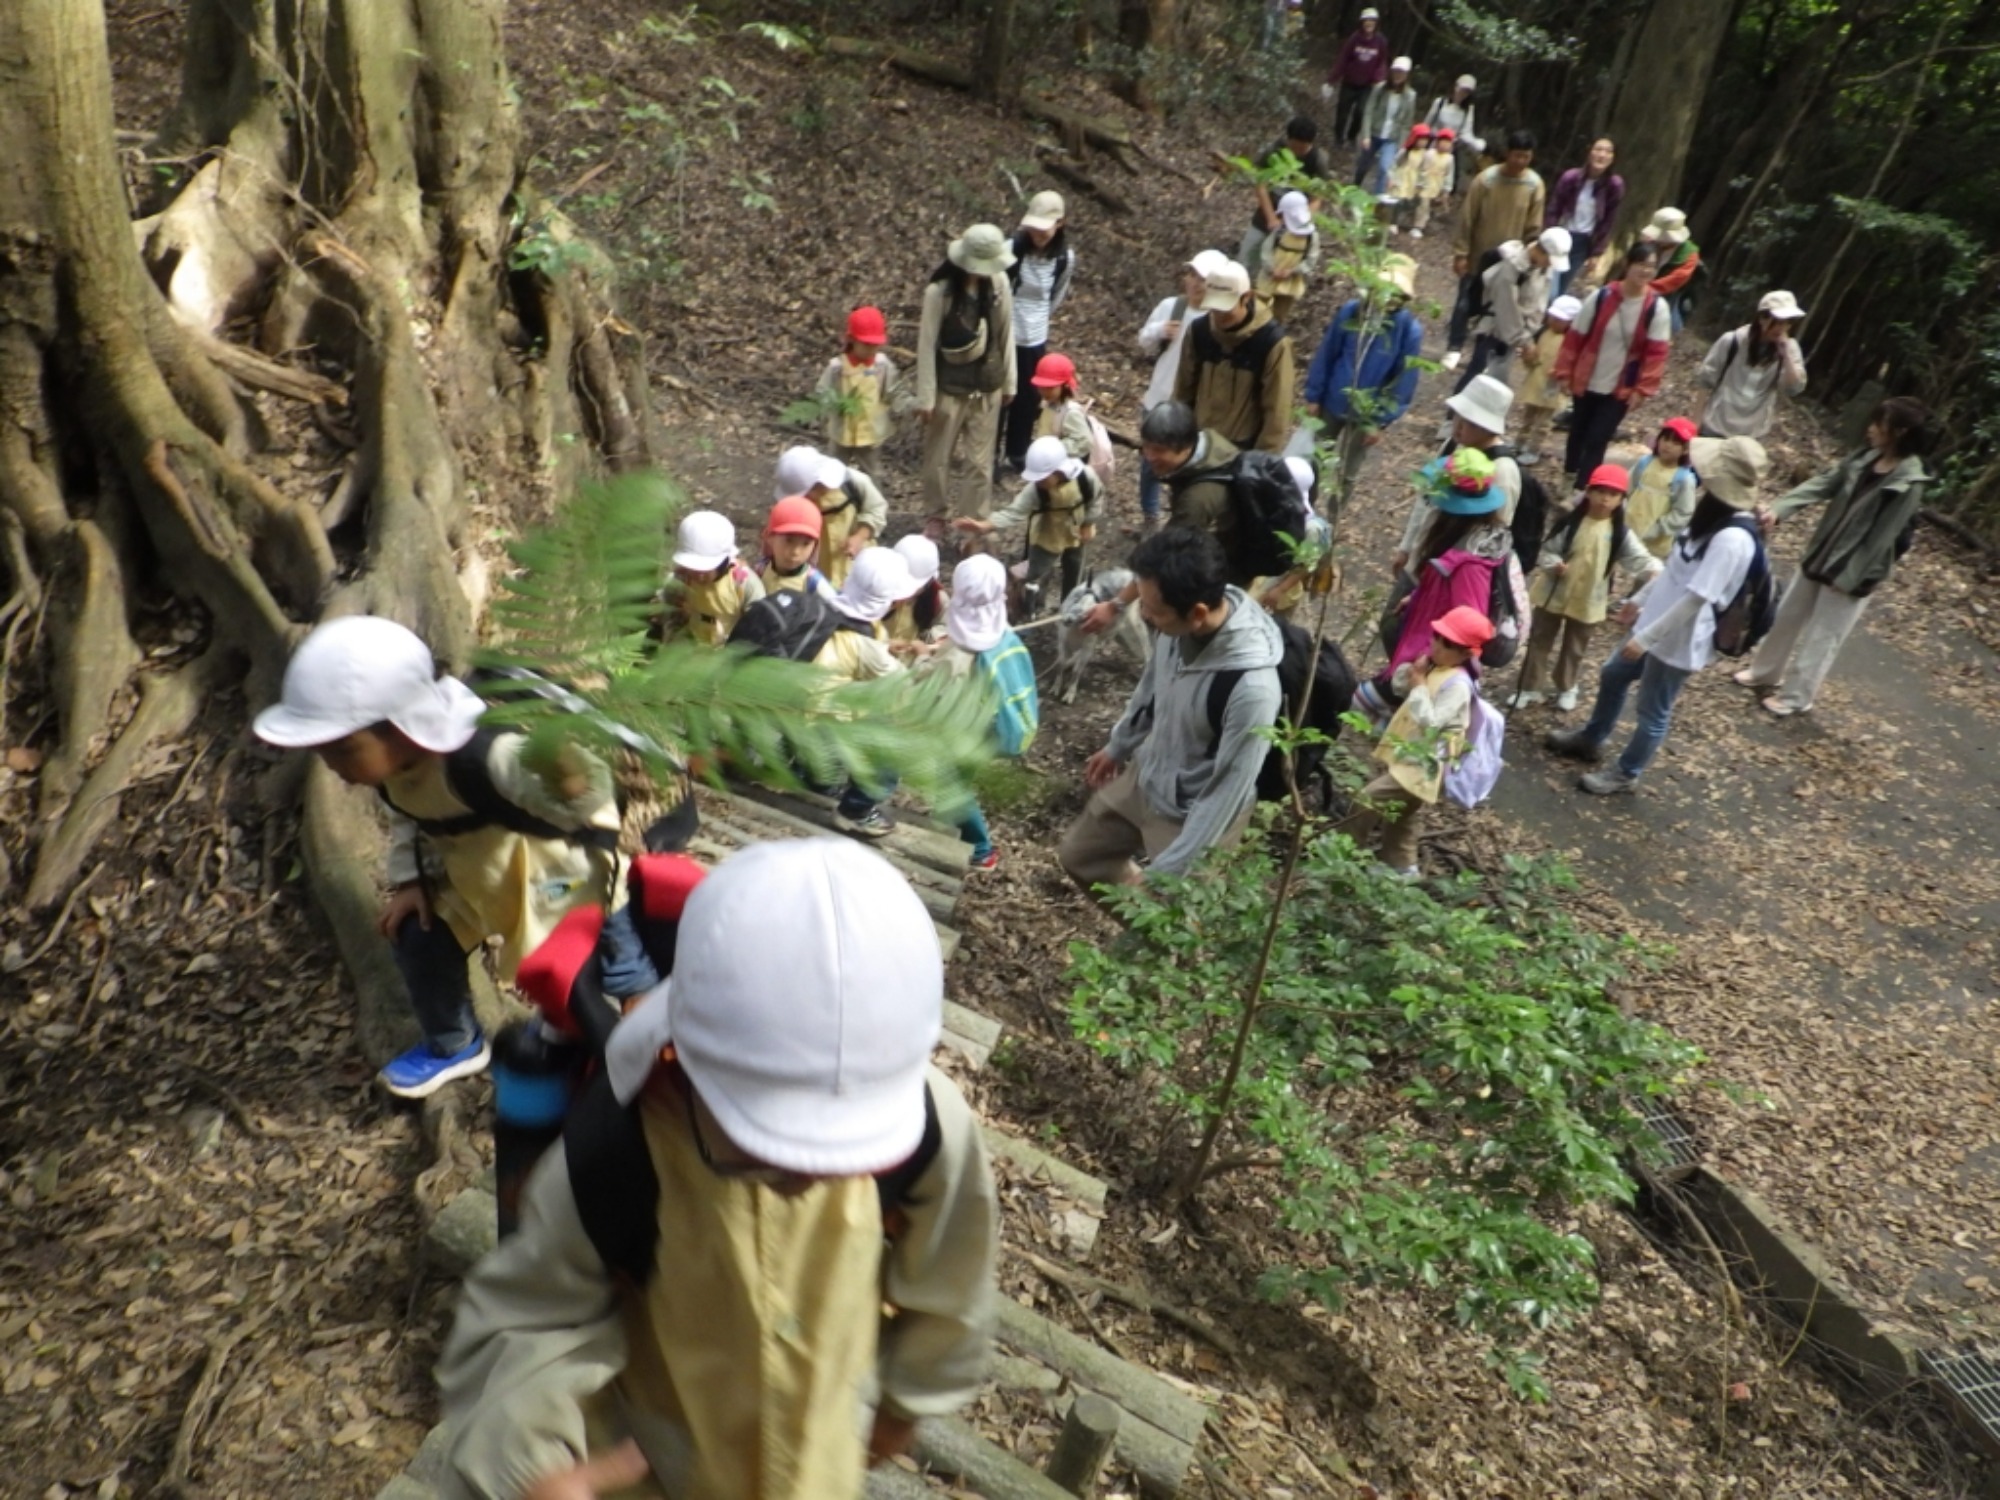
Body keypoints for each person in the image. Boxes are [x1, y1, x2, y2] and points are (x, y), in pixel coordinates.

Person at [436, 837, 999, 1500]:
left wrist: (912, 1396)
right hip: (666, 1465)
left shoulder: (932, 1122)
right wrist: (522, 1467)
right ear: (683, 1053)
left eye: (848, 1152)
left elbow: (955, 1261)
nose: (809, 1175)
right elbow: (528, 1324)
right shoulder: (616, 1152)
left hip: (820, 1452)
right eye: (765, 1142)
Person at [252, 616, 657, 1098]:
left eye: (341, 749)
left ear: (400, 729)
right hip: (475, 875)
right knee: (419, 939)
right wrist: (409, 882)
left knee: (606, 955)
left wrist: (574, 786)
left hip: (556, 873)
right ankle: (454, 1043)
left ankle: (642, 1023)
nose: (331, 766)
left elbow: (581, 790)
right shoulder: (393, 772)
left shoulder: (484, 758)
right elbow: (409, 816)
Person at [1059, 526, 1283, 890]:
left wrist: (1171, 870)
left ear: (1196, 613)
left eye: (1152, 609)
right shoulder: (1175, 627)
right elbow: (1153, 685)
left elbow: (1227, 789)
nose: (1143, 615)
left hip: (1195, 810)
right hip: (1149, 774)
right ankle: (1135, 903)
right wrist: (1121, 744)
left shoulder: (1251, 690)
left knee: (1169, 925)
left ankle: (1145, 931)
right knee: (1081, 857)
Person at [1545, 436, 1770, 794]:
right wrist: (1642, 600)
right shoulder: (1710, 517)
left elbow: (1697, 598)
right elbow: (1675, 569)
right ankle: (1592, 737)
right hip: (1656, 619)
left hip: (1678, 635)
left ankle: (1626, 772)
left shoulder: (1732, 539)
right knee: (1613, 674)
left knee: (1652, 710)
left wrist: (1647, 638)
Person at [1735, 397, 1934, 717]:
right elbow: (1824, 483)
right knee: (1787, 615)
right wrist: (1780, 509)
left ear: (1898, 431)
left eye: (1878, 424)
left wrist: (1852, 577)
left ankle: (1796, 697)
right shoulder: (1865, 458)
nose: (1870, 429)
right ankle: (1765, 671)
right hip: (1823, 552)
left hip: (1853, 572)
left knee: (1823, 636)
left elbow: (1883, 539)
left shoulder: (1909, 482)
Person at [1337, 605, 1492, 876]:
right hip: (1410, 755)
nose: (1436, 645)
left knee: (1367, 799)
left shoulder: (1458, 686)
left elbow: (1432, 723)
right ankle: (1402, 867)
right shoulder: (1437, 666)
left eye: (1447, 643)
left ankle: (1342, 851)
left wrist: (1419, 684)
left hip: (1424, 763)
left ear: (1466, 653)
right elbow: (1399, 688)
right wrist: (1412, 673)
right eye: (1435, 636)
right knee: (1403, 815)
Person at [920, 554, 1039, 869]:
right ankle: (944, 825)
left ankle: (981, 849)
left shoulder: (958, 657)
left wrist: (922, 659)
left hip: (966, 730)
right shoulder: (1002, 631)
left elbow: (933, 686)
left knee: (952, 786)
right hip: (993, 727)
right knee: (956, 782)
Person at [1514, 464, 1661, 711]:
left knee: (1575, 647)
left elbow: (1639, 558)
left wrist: (1654, 570)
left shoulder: (1619, 533)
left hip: (1589, 599)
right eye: (1600, 491)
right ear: (1589, 492)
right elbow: (1547, 550)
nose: (1605, 499)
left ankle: (1566, 685)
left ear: (1621, 499)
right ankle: (1528, 686)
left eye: (1613, 494)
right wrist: (1553, 565)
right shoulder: (1570, 523)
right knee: (1540, 640)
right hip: (1554, 592)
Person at [916, 223, 1017, 529]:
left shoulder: (998, 284)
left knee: (980, 463)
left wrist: (1010, 380)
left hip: (986, 385)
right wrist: (926, 396)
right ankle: (936, 514)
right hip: (949, 386)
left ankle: (972, 523)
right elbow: (927, 342)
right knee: (938, 457)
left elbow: (1005, 332)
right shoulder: (940, 292)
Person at [1551, 241, 1672, 492]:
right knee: (1578, 431)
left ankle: (1582, 489)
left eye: (1652, 266)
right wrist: (1565, 372)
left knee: (1598, 437)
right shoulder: (1602, 296)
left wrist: (1643, 389)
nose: (1646, 271)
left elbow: (1657, 353)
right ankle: (1569, 475)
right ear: (1628, 264)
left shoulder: (1656, 309)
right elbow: (1576, 335)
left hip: (1621, 386)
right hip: (1588, 377)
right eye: (1641, 264)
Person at [1302, 252, 1423, 491]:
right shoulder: (1352, 311)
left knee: (1347, 475)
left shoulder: (1409, 330)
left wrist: (1380, 421)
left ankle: (1333, 522)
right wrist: (1313, 394)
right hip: (1333, 400)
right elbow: (1328, 351)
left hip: (1368, 413)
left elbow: (1403, 380)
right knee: (1314, 463)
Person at [956, 432, 1104, 611]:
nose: (1039, 482)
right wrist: (986, 525)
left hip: (1077, 531)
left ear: (1057, 471)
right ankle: (1017, 593)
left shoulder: (1085, 479)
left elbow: (1096, 499)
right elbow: (1015, 511)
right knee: (1034, 569)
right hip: (1050, 533)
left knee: (1074, 570)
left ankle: (1069, 607)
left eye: (1043, 478)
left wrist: (1088, 523)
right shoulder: (1036, 490)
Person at [1137, 250, 1229, 527]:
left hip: (1193, 408)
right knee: (1150, 464)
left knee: (1188, 464)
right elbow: (1143, 342)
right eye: (1191, 275)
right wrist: (1158, 331)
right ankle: (1150, 515)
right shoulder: (1171, 306)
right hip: (1159, 397)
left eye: (1202, 278)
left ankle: (1180, 518)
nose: (1194, 283)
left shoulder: (1219, 318)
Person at [1172, 259, 1297, 457]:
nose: (1219, 316)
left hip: (1241, 454)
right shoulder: (1199, 331)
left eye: (1225, 309)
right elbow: (1182, 392)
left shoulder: (1271, 343)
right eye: (1214, 307)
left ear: (1246, 297)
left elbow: (1276, 415)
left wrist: (1259, 464)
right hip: (1198, 446)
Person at [1446, 131, 1545, 368]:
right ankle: (1454, 346)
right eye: (1517, 155)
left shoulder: (1534, 185)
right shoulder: (1486, 180)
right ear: (1507, 153)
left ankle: (1484, 352)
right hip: (1480, 252)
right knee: (1465, 300)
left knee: (1498, 306)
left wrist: (1530, 259)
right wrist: (1461, 251)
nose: (1521, 161)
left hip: (1511, 259)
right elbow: (1468, 217)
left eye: (1526, 156)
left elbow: (1534, 226)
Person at [1002, 191, 1077, 471]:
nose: (1039, 234)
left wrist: (1040, 319)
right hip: (1007, 332)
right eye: (1035, 228)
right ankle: (991, 452)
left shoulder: (1064, 258)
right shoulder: (1011, 249)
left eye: (1045, 229)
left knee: (1029, 397)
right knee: (1002, 395)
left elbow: (1056, 295)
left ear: (1060, 224)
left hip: (1036, 336)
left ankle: (1018, 453)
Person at [1456, 226, 1570, 393]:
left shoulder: (1544, 269)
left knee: (1496, 379)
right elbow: (1506, 309)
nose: (1550, 264)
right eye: (1549, 259)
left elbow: (1539, 305)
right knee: (1476, 375)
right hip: (1493, 329)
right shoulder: (1511, 268)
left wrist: (1530, 334)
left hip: (1515, 334)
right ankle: (1453, 417)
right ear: (1540, 251)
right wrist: (1524, 341)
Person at [1695, 290, 1809, 440]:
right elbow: (1705, 380)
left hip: (1752, 435)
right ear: (1762, 318)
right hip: (1715, 425)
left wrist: (1786, 355)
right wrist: (1694, 424)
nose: (1782, 328)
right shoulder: (1732, 341)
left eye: (1788, 322)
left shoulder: (1790, 348)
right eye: (1778, 321)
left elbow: (1793, 389)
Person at [774, 445, 888, 590]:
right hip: (816, 563)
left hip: (852, 560)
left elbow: (876, 509)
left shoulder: (854, 483)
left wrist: (860, 536)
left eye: (810, 492)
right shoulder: (797, 496)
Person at [1236, 116, 1331, 272]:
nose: (1298, 153)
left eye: (1303, 148)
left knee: (1284, 267)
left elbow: (1316, 198)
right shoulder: (1273, 152)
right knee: (1246, 261)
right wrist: (1271, 218)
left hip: (1296, 224)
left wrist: (1300, 222)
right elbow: (1261, 186)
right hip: (1268, 213)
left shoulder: (1318, 160)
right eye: (1294, 147)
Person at [814, 306, 901, 468]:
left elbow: (894, 390)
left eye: (875, 345)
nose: (872, 349)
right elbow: (822, 391)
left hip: (869, 433)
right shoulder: (837, 368)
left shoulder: (882, 366)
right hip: (842, 431)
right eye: (867, 344)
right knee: (834, 470)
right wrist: (834, 403)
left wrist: (905, 405)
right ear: (852, 340)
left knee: (873, 471)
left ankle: (871, 493)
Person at [667, 510, 765, 646]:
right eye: (693, 568)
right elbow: (668, 608)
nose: (698, 574)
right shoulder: (682, 578)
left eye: (705, 568)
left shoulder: (744, 582)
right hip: (692, 643)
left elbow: (759, 623)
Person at [1545, 139, 1624, 296]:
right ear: (1590, 152)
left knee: (1562, 289)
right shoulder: (1571, 178)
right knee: (1549, 288)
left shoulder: (1614, 185)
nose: (1602, 155)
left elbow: (1608, 221)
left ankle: (1549, 319)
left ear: (1613, 157)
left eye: (1608, 151)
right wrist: (1548, 235)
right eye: (1598, 149)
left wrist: (1596, 252)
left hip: (1583, 242)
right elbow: (1554, 208)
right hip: (1560, 236)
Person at [1511, 293, 1581, 465]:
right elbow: (1533, 357)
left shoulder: (1571, 341)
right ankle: (1519, 443)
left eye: (1559, 320)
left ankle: (1533, 449)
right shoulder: (1544, 333)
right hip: (1536, 382)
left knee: (1543, 423)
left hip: (1552, 387)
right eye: (1552, 318)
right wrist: (1528, 356)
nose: (1553, 322)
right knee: (1528, 416)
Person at [1623, 417, 1699, 558]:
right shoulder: (1644, 463)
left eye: (1675, 442)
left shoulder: (1684, 479)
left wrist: (1659, 528)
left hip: (1655, 542)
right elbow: (1626, 487)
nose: (1667, 445)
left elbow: (1683, 512)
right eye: (1665, 439)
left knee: (1647, 573)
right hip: (1629, 527)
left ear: (1686, 449)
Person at [1353, 56, 1417, 196]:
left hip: (1391, 138)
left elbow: (1407, 122)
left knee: (1385, 167)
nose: (1398, 75)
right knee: (1364, 164)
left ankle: (1378, 199)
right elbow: (1368, 111)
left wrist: (1402, 144)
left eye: (1402, 73)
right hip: (1374, 132)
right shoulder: (1379, 89)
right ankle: (1354, 188)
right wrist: (1366, 135)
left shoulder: (1410, 96)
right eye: (1396, 71)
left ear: (1406, 75)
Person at [1255, 192, 1320, 324]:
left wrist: (1293, 271)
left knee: (1279, 314)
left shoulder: (1311, 236)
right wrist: (1271, 269)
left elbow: (1311, 260)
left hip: (1290, 283)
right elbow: (1266, 251)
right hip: (1270, 278)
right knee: (1260, 309)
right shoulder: (1279, 231)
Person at [1327, 10, 1390, 146]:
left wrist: (1379, 79)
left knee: (1361, 112)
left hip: (1367, 85)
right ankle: (1338, 138)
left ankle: (1351, 137)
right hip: (1349, 82)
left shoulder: (1380, 41)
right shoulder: (1354, 39)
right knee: (1343, 111)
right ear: (1362, 23)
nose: (1369, 23)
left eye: (1372, 21)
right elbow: (1343, 59)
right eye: (1366, 20)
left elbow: (1381, 62)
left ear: (1376, 23)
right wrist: (1331, 80)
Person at [757, 495, 836, 600]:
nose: (796, 552)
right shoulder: (762, 569)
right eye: (789, 541)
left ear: (815, 546)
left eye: (806, 544)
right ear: (770, 537)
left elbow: (836, 609)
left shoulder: (812, 581)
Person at [1422, 76, 1484, 199]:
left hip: (1450, 148)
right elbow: (1426, 124)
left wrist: (1476, 143)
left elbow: (1466, 132)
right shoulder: (1440, 103)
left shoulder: (1468, 110)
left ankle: (1436, 204)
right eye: (1462, 89)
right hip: (1433, 145)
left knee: (1448, 181)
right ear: (1455, 87)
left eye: (1467, 92)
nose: (1463, 94)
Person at [1639, 208, 1700, 331]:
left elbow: (1676, 279)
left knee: (1668, 325)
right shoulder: (1648, 243)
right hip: (1639, 285)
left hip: (1666, 294)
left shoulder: (1690, 254)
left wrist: (1649, 289)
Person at [886, 534, 947, 653]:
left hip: (912, 664)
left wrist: (934, 638)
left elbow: (945, 625)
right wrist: (883, 644)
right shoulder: (877, 589)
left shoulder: (937, 599)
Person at [1028, 352, 1092, 461]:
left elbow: (1085, 441)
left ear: (1065, 386)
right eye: (1041, 387)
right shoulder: (1049, 403)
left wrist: (1056, 447)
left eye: (1050, 388)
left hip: (1065, 467)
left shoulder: (1071, 413)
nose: (1044, 392)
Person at [1409, 127, 1456, 238]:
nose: (1444, 145)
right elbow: (1422, 168)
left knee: (1432, 205)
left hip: (1438, 184)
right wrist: (1419, 182)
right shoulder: (1429, 154)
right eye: (1442, 141)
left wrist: (1446, 189)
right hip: (1426, 183)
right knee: (1422, 204)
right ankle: (1418, 226)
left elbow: (1449, 174)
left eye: (1448, 142)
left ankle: (1425, 222)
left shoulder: (1450, 158)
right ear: (1437, 142)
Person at [1386, 123, 1430, 223]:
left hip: (1412, 180)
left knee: (1408, 201)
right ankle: (1392, 221)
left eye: (1426, 140)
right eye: (1421, 139)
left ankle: (1403, 221)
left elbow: (1423, 170)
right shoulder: (1405, 151)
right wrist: (1391, 178)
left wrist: (1421, 183)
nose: (1424, 142)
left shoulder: (1424, 154)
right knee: (1397, 199)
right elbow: (1395, 165)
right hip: (1401, 178)